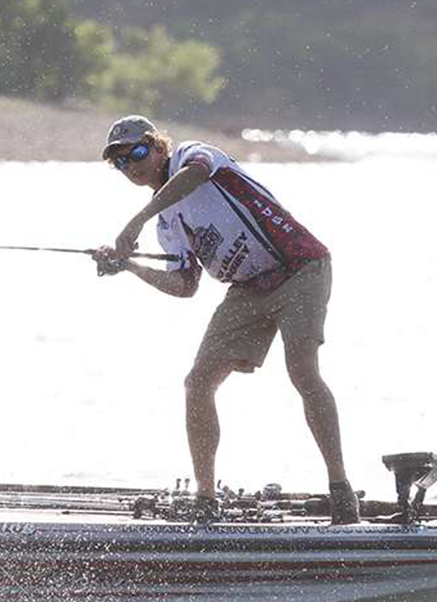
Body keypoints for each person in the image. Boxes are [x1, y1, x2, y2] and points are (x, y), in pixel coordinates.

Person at [94, 115, 360, 525]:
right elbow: (185, 286)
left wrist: (136, 221)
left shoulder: (194, 156)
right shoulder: (169, 224)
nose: (132, 166)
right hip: (249, 289)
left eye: (138, 153)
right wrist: (128, 266)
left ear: (159, 145)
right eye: (121, 163)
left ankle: (341, 491)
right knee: (197, 383)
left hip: (301, 268)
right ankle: (205, 499)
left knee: (302, 371)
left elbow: (194, 177)